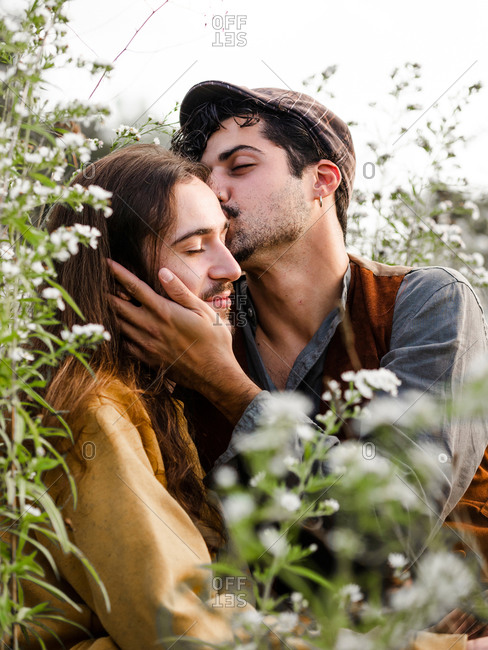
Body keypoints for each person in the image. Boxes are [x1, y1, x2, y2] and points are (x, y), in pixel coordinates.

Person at [110, 81, 488, 528]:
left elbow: (396, 522)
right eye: (206, 176)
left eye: (241, 166)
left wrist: (226, 385)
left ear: (322, 180)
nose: (216, 192)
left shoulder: (426, 302)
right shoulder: (195, 318)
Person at [15, 144, 253, 650]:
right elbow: (181, 630)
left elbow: (213, 597)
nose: (230, 267)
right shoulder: (97, 412)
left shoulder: (155, 397)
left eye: (225, 239)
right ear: (118, 276)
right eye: (195, 248)